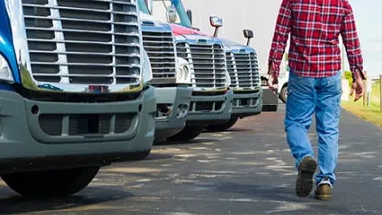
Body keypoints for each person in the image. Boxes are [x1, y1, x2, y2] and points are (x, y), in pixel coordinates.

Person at [267, 0, 365, 201]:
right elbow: (352, 42)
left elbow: (280, 36)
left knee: (295, 123)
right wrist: (357, 75)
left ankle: (304, 157)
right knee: (328, 129)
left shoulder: (292, 2)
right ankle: (325, 182)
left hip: (302, 73)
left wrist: (273, 70)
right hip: (330, 75)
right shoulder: (342, 4)